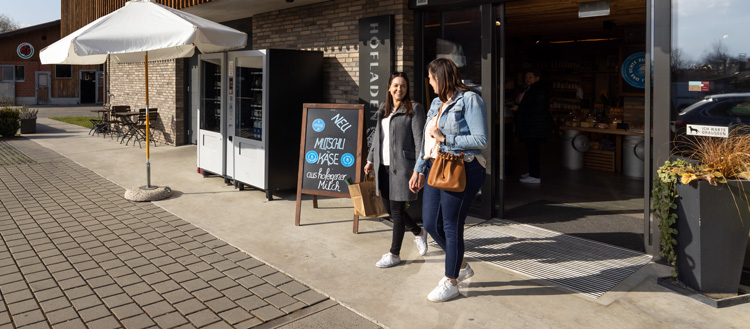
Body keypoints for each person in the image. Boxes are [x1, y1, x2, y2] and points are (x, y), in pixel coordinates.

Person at [409, 58, 488, 302]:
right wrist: (419, 169)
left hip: (462, 168)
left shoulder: (470, 99)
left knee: (452, 226)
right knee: (432, 224)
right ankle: (461, 264)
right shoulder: (435, 102)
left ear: (441, 78)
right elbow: (427, 139)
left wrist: (447, 139)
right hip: (436, 166)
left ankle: (451, 280)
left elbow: (481, 139)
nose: (429, 83)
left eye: (431, 78)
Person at [364, 72, 428, 268]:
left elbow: (420, 142)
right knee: (390, 210)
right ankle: (418, 232)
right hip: (382, 166)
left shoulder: (414, 109)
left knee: (398, 211)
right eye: (396, 85)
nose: (399, 89)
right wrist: (369, 160)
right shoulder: (384, 109)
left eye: (403, 86)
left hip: (403, 167)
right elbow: (377, 138)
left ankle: (394, 253)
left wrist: (419, 170)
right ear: (389, 88)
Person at [510, 69, 552, 184]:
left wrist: (519, 109)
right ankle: (532, 172)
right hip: (531, 125)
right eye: (526, 77)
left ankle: (535, 175)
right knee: (530, 150)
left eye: (530, 77)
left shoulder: (539, 90)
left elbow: (537, 107)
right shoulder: (530, 89)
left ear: (537, 78)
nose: (527, 80)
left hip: (535, 126)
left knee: (533, 151)